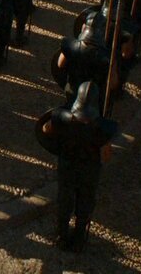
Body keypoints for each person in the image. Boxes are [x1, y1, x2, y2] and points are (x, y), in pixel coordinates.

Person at [37, 81, 117, 252]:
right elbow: (106, 155)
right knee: (85, 202)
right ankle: (79, 237)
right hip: (90, 169)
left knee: (65, 199)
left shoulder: (62, 118)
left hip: (67, 165)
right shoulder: (103, 128)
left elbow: (45, 129)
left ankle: (62, 235)